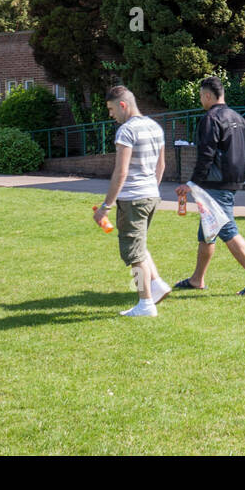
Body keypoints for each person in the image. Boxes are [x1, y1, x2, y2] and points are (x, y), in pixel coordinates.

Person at [173, 76, 245, 295]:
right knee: (207, 233)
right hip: (231, 180)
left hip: (215, 183)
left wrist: (191, 183)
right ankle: (197, 279)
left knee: (227, 229)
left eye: (200, 96)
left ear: (208, 95)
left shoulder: (210, 119)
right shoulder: (239, 118)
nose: (201, 100)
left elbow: (206, 154)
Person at [95, 85, 172, 317]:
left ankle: (145, 303)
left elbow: (121, 171)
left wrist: (105, 206)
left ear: (122, 105)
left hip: (133, 199)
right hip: (151, 195)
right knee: (140, 245)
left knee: (133, 254)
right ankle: (157, 285)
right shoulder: (155, 126)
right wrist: (151, 189)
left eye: (111, 109)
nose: (111, 115)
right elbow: (162, 166)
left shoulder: (126, 131)